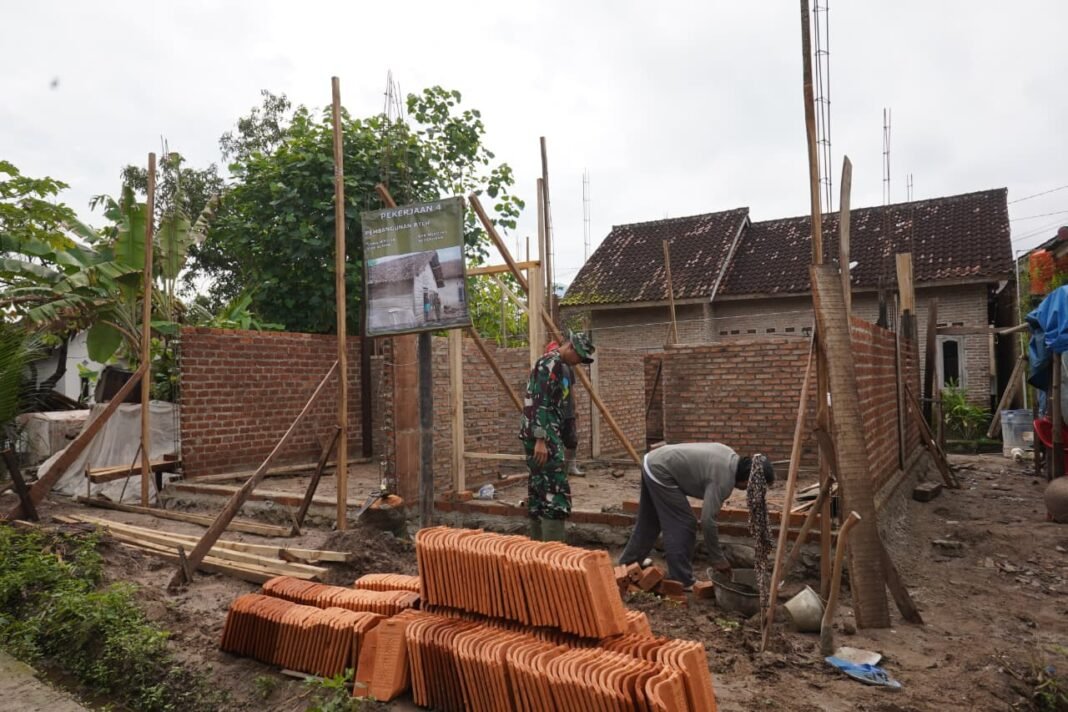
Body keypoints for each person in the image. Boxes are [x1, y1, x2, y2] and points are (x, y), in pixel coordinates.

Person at [618, 442, 775, 589]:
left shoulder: (730, 456)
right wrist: (717, 558)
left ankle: (628, 564)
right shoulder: (723, 480)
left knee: (650, 520)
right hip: (661, 470)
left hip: (653, 460)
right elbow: (708, 521)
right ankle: (681, 579)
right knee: (684, 523)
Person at [519, 332, 596, 541]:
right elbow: (540, 401)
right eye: (578, 357)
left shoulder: (555, 363)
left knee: (539, 486)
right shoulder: (551, 364)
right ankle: (554, 550)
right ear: (570, 347)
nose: (578, 362)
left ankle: (538, 547)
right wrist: (541, 440)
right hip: (543, 436)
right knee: (555, 488)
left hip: (541, 433)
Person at [543, 340, 584, 476]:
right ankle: (558, 469)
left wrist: (575, 407)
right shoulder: (547, 368)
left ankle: (571, 466)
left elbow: (571, 388)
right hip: (555, 412)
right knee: (555, 442)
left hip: (567, 411)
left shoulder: (568, 368)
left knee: (572, 441)